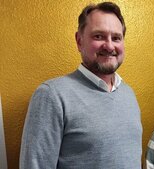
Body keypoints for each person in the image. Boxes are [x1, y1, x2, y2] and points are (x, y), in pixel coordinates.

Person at [19, 2, 142, 169]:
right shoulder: (52, 95)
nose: (110, 45)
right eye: (98, 36)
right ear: (79, 41)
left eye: (116, 38)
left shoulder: (129, 94)